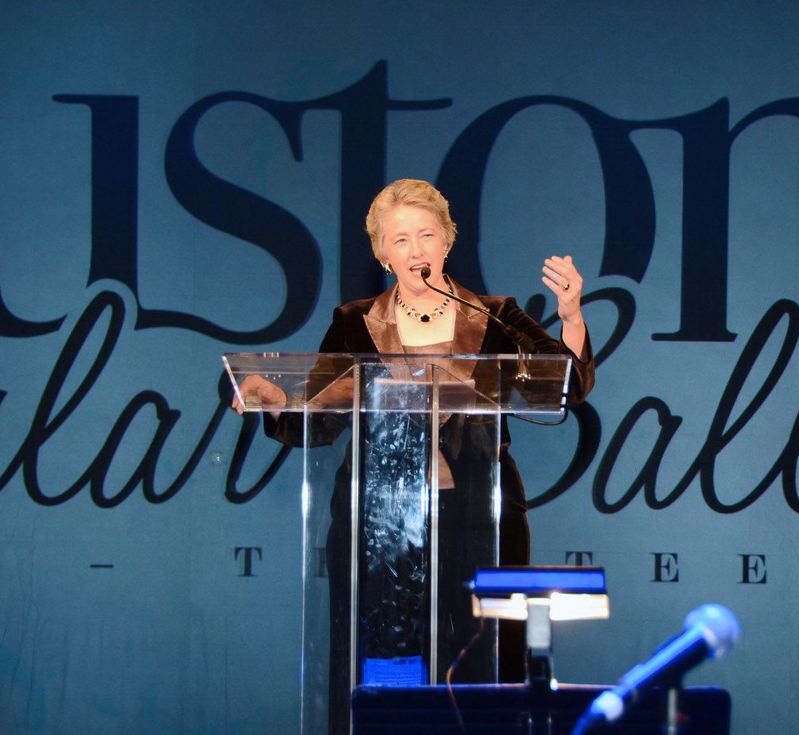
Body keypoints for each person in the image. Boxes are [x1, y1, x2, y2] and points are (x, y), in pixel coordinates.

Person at [232, 179, 595, 731]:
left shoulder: (495, 314)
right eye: (399, 240)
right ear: (382, 253)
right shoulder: (355, 320)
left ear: (447, 243)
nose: (416, 250)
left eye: (426, 235)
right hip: (381, 522)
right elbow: (324, 416)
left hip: (481, 518)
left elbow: (561, 386)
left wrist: (570, 316)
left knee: (485, 663)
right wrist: (276, 399)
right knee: (385, 662)